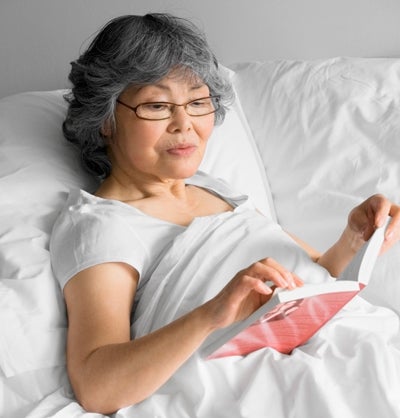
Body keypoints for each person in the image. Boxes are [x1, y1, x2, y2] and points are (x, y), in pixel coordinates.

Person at [50, 13, 400, 414]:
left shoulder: (215, 187)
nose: (185, 124)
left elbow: (313, 274)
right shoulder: (103, 225)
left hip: (359, 338)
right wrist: (212, 314)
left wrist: (354, 239)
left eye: (198, 102)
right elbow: (98, 386)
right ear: (107, 118)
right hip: (274, 378)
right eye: (158, 105)